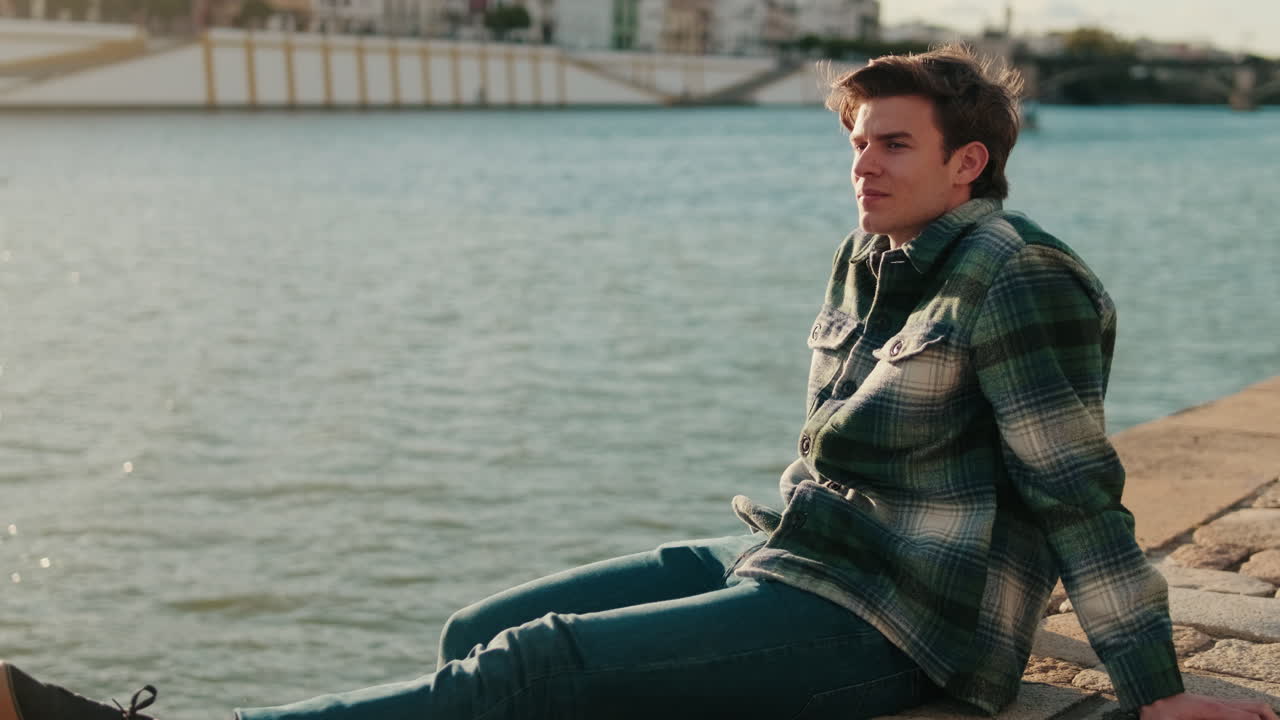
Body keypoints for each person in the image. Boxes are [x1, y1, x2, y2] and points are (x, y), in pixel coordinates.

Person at [3, 44, 1276, 720]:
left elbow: (1079, 500)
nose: (861, 165)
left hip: (901, 625)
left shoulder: (1019, 280)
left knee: (536, 671)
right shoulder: (870, 256)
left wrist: (1153, 687)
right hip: (797, 558)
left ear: (970, 161)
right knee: (476, 637)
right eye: (852, 143)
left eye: (891, 144)